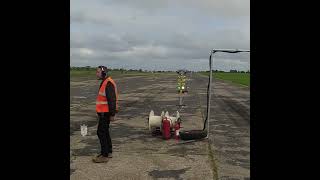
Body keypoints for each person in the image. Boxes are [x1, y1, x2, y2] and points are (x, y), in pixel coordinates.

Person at [92, 66, 119, 163]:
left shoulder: (108, 83)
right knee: (105, 132)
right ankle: (109, 151)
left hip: (105, 113)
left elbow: (112, 100)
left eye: (98, 72)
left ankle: (104, 155)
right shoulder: (105, 81)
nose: (97, 74)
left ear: (103, 73)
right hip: (104, 113)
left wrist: (112, 114)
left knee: (101, 132)